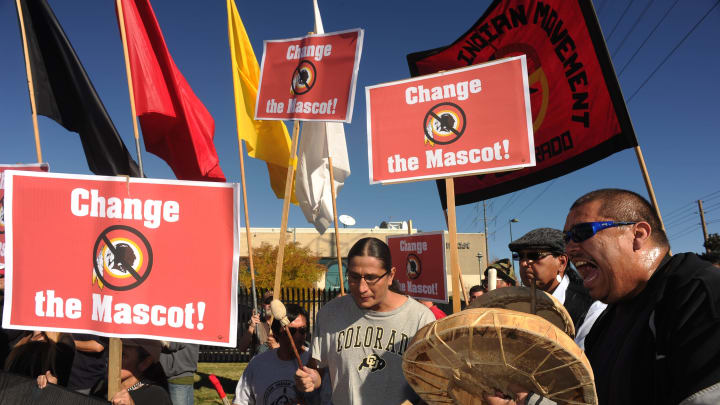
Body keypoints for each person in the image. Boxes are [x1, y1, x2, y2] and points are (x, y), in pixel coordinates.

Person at [562, 189, 720, 404]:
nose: (569, 248)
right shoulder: (606, 322)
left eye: (581, 233)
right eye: (566, 239)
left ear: (638, 234)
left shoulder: (701, 297)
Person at [295, 237, 435, 404]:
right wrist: (310, 379)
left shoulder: (420, 319)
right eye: (353, 277)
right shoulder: (330, 314)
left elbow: (433, 385)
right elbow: (317, 371)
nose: (361, 288)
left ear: (390, 276)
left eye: (371, 278)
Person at [509, 228, 606, 349]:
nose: (524, 263)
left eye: (534, 255)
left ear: (562, 262)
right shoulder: (515, 304)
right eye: (520, 256)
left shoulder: (590, 307)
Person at [234, 303, 320, 405]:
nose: (297, 336)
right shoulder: (258, 363)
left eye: (302, 330)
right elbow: (240, 401)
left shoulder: (316, 362)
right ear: (276, 333)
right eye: (291, 331)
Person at [237, 291, 278, 356]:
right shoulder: (256, 323)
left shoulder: (284, 324)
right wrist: (251, 326)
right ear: (263, 305)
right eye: (268, 302)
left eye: (273, 302)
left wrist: (278, 346)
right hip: (261, 364)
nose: (270, 304)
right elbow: (242, 348)